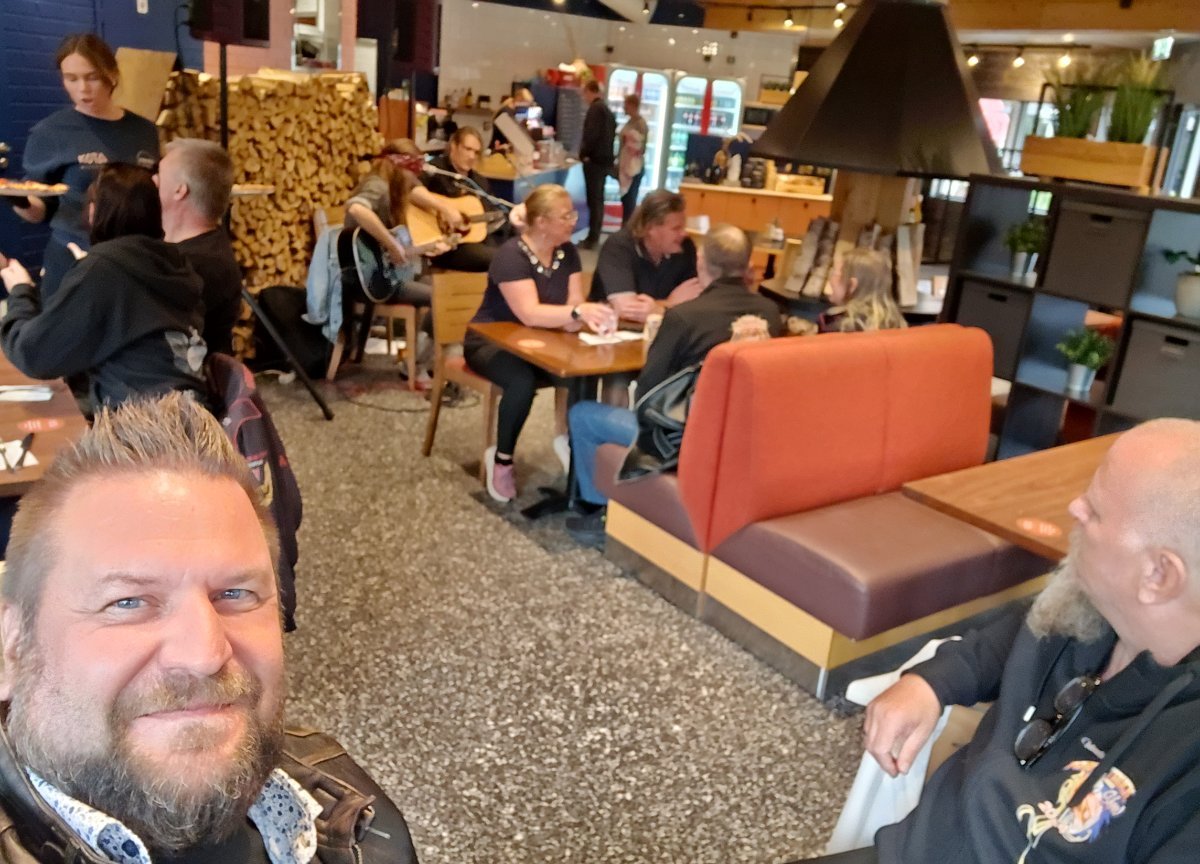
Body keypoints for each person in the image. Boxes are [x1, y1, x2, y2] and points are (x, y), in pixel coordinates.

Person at [0, 391, 418, 862]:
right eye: (128, 602)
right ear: (12, 645)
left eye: (235, 594)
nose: (204, 655)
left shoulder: (356, 816)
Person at [802, 418, 1200, 864]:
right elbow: (1012, 639)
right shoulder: (1089, 609)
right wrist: (931, 682)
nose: (1075, 508)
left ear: (1158, 575)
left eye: (1096, 511)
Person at [565, 224, 782, 545]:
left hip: (684, 441)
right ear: (747, 264)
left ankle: (600, 510)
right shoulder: (770, 313)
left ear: (701, 262)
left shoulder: (684, 317)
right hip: (742, 437)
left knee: (583, 414)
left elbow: (648, 393)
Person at [0, 164, 206, 419]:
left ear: (94, 211)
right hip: (189, 413)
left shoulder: (105, 269)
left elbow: (33, 355)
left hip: (144, 425)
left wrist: (20, 290)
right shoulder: (175, 261)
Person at [464, 184, 616, 504]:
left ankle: (573, 443)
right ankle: (502, 460)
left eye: (572, 214)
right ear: (542, 222)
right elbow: (529, 313)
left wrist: (586, 317)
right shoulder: (511, 256)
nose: (574, 221)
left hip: (542, 343)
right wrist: (575, 313)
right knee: (521, 381)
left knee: (582, 374)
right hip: (491, 342)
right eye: (566, 216)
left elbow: (574, 304)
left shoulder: (567, 252)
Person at [12, 33, 159, 301]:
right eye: (71, 79)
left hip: (133, 260)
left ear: (112, 74)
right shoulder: (50, 133)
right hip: (72, 258)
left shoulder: (144, 132)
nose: (83, 89)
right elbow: (39, 211)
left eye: (92, 77)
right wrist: (17, 198)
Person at [157, 137, 242, 356]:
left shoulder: (196, 267)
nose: (152, 180)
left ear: (180, 190)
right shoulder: (181, 253)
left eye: (159, 174)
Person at [590, 190, 700, 324]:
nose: (684, 233)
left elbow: (697, 300)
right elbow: (627, 311)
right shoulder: (619, 247)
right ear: (650, 228)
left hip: (665, 328)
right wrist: (669, 304)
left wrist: (656, 309)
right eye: (676, 228)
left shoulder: (685, 247)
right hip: (613, 329)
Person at [420, 126, 508, 272]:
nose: (472, 156)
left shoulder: (479, 182)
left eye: (476, 152)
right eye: (467, 149)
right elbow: (411, 192)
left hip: (471, 239)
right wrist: (445, 210)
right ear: (454, 146)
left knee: (509, 253)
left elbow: (488, 215)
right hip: (442, 244)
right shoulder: (435, 170)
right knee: (497, 259)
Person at [818, 248, 907, 333]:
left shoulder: (833, 325)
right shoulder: (897, 323)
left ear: (852, 286)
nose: (831, 280)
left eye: (835, 274)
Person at [577, 79, 616, 250]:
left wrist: (584, 154)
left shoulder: (595, 109)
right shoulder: (607, 110)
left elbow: (591, 135)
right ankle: (595, 235)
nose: (583, 97)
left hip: (594, 161)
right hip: (604, 161)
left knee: (593, 200)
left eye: (584, 93)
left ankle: (592, 238)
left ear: (589, 91)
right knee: (598, 199)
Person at [616, 93, 648, 226]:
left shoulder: (640, 123)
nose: (624, 108)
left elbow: (641, 148)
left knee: (629, 201)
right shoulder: (630, 122)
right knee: (626, 200)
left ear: (633, 106)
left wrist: (629, 142)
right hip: (626, 167)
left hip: (634, 168)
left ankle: (628, 229)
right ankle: (625, 227)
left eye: (626, 105)